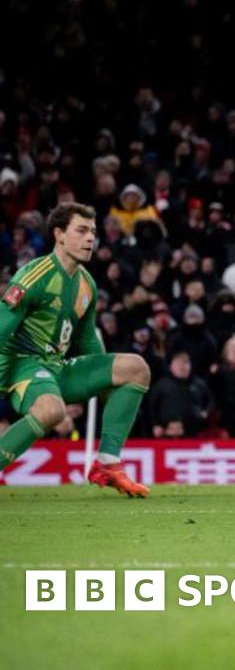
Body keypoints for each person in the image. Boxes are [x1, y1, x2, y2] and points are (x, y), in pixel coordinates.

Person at [0, 203, 152, 497]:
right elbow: (3, 325)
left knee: (135, 368)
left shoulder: (87, 285)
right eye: (81, 231)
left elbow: (87, 343)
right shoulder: (35, 275)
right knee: (51, 410)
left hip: (56, 368)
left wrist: (105, 379)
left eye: (93, 232)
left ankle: (108, 464)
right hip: (22, 364)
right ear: (59, 235)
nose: (90, 239)